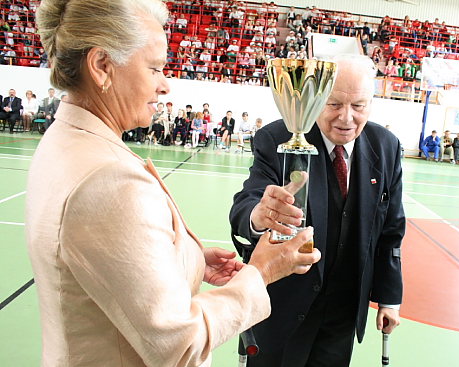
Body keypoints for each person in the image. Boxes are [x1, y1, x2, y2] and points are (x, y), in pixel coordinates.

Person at [26, 1, 321, 366]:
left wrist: (189, 261)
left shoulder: (66, 141)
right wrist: (261, 273)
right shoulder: (110, 179)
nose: (165, 85)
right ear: (102, 66)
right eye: (153, 68)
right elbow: (180, 346)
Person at [230, 55, 404, 367]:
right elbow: (247, 202)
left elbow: (391, 229)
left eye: (358, 106)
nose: (346, 118)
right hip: (281, 309)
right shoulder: (278, 138)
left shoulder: (387, 146)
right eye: (334, 104)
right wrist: (259, 215)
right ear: (317, 97)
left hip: (344, 312)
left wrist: (390, 298)